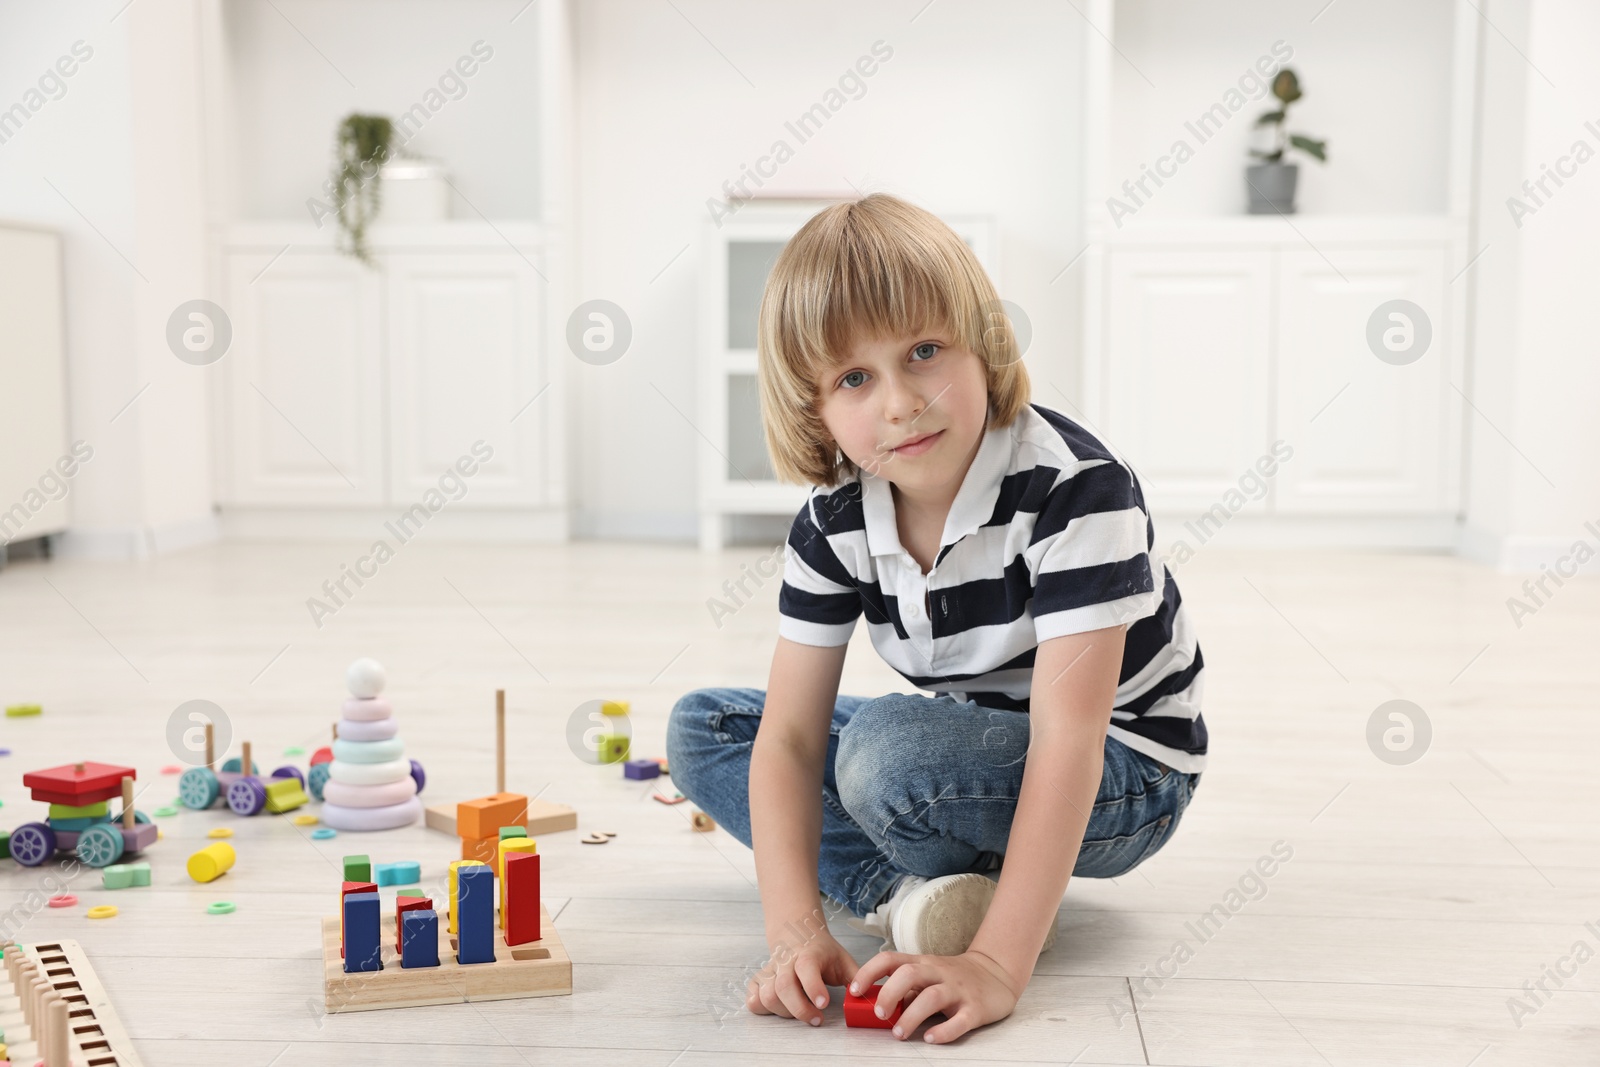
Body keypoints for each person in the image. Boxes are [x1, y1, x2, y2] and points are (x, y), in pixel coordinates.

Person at [666, 193, 1207, 1044]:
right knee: (708, 726)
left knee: (887, 758)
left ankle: (991, 916)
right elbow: (791, 740)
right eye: (854, 378)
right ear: (815, 409)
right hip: (975, 742)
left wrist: (998, 964)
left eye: (924, 352)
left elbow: (1069, 735)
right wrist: (795, 931)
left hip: (1125, 769)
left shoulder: (1074, 489)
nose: (900, 402)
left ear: (981, 346)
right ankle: (914, 901)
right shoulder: (835, 519)